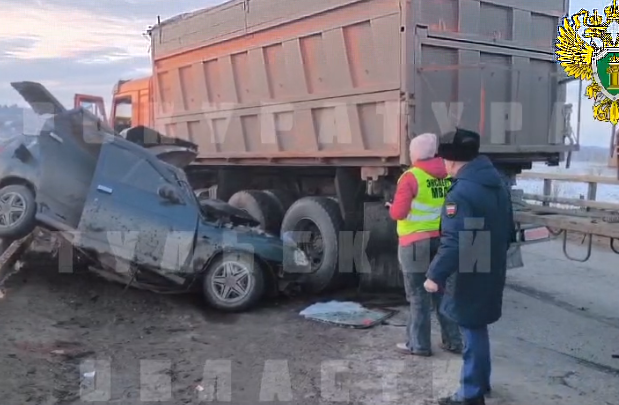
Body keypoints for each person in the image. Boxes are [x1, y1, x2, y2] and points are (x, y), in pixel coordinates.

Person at [423, 128, 515, 405]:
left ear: (449, 161)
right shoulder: (496, 181)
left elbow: (454, 241)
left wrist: (434, 274)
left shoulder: (460, 192)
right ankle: (481, 383)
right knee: (477, 325)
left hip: (471, 268)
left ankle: (470, 395)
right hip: (491, 262)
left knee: (471, 329)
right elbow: (509, 226)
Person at [386, 133, 462, 357]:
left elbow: (399, 212)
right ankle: (453, 341)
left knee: (419, 296)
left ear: (416, 154)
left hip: (414, 244)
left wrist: (390, 207)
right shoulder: (449, 175)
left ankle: (418, 345)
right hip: (441, 241)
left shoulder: (410, 177)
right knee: (441, 293)